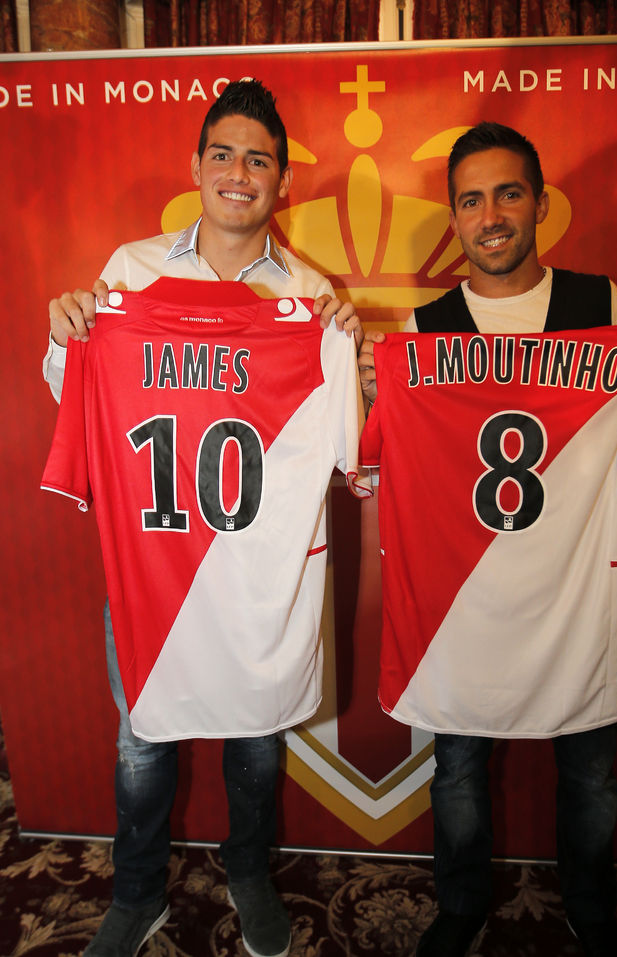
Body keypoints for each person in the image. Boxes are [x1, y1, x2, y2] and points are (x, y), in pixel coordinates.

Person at [44, 79, 364, 957]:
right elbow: (79, 399)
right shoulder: (131, 270)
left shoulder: (311, 294)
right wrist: (68, 334)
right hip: (152, 562)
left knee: (256, 737)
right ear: (196, 166)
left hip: (258, 572)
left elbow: (351, 445)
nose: (238, 172)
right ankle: (136, 891)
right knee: (142, 740)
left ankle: (248, 871)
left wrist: (347, 349)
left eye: (258, 159)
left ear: (283, 180)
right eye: (223, 154)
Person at [358, 122, 617, 957]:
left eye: (508, 194)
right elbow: (399, 465)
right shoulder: (424, 327)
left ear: (540, 204)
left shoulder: (600, 307)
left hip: (573, 584)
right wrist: (373, 394)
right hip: (463, 596)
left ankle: (590, 905)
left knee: (590, 771)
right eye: (471, 200)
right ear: (454, 218)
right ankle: (461, 901)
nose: (491, 216)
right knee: (458, 767)